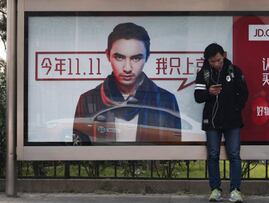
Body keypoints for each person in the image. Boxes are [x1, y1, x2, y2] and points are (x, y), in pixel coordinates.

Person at [73, 22, 181, 145]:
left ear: (147, 57)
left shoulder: (166, 100)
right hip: (106, 165)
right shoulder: (88, 100)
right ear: (108, 55)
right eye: (120, 57)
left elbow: (173, 149)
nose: (127, 68)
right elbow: (81, 147)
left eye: (136, 58)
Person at [194, 43, 248, 202]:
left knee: (234, 155)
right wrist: (209, 92)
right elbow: (197, 96)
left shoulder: (234, 71)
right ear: (207, 60)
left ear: (223, 55)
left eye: (218, 60)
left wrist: (236, 108)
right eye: (212, 61)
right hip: (211, 121)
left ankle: (235, 190)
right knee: (212, 155)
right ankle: (215, 190)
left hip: (232, 121)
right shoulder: (203, 74)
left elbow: (244, 92)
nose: (216, 63)